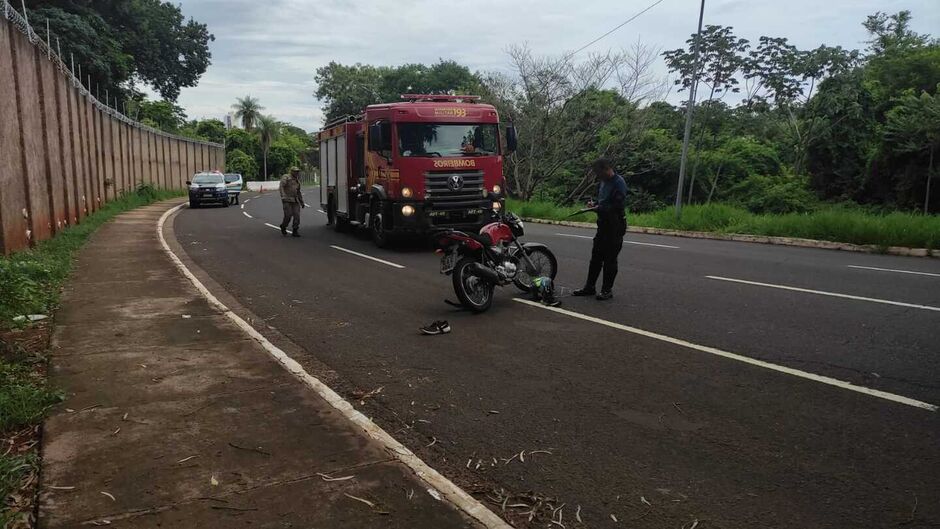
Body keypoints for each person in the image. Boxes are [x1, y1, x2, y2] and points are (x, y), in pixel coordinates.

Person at [573, 158, 627, 300]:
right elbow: (603, 201)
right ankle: (589, 287)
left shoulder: (618, 183)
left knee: (610, 259)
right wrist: (595, 204)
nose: (598, 176)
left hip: (615, 225)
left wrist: (599, 208)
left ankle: (607, 290)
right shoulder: (603, 183)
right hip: (602, 224)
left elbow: (617, 205)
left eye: (598, 173)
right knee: (596, 257)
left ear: (606, 169)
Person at [279, 167, 305, 237]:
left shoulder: (297, 181)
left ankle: (295, 230)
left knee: (297, 215)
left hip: (295, 200)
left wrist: (302, 202)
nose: (297, 173)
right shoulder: (286, 177)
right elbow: (281, 186)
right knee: (288, 215)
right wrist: (283, 196)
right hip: (287, 199)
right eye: (295, 171)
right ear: (291, 171)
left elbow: (298, 192)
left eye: (298, 171)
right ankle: (283, 226)